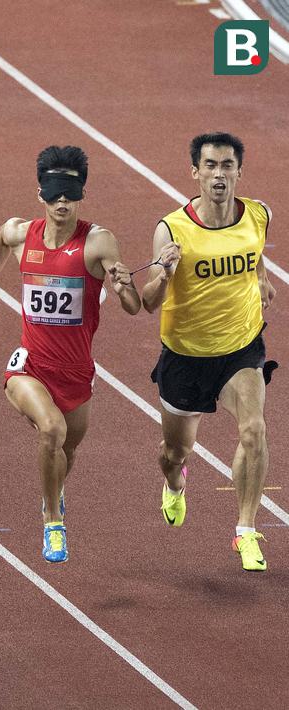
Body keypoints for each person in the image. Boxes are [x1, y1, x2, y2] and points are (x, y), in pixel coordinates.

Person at [0, 146, 141, 563]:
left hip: (77, 373)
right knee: (51, 431)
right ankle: (53, 524)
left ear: (81, 193)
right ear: (41, 194)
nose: (62, 202)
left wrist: (122, 284)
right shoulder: (22, 233)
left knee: (66, 453)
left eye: (70, 192)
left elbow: (132, 306)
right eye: (54, 193)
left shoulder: (98, 242)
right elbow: (0, 237)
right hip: (29, 367)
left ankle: (54, 492)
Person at [141, 132, 275, 572]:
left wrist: (260, 276)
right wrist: (164, 274)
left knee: (254, 430)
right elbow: (148, 300)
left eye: (227, 165)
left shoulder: (258, 214)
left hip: (240, 348)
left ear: (239, 170)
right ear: (195, 172)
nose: (219, 174)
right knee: (174, 452)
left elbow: (250, 252)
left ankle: (246, 531)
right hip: (185, 356)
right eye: (211, 166)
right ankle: (175, 484)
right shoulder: (171, 229)